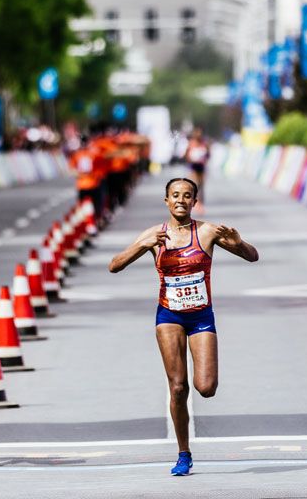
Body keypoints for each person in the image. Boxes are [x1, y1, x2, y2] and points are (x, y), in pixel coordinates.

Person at [108, 176, 258, 476]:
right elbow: (115, 265)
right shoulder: (155, 234)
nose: (181, 200)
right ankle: (183, 453)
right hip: (169, 317)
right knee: (178, 387)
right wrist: (143, 245)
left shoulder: (207, 232)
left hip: (201, 317)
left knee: (206, 387)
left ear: (194, 201)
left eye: (187, 195)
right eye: (175, 195)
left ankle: (186, 446)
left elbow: (253, 257)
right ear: (166, 201)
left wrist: (239, 243)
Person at [184, 131, 210, 202]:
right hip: (193, 166)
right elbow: (186, 154)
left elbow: (208, 154)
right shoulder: (191, 143)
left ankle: (201, 199)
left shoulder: (204, 144)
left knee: (201, 184)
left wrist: (204, 160)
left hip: (202, 166)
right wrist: (190, 160)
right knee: (194, 183)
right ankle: (195, 199)